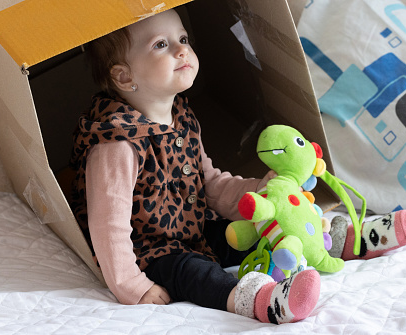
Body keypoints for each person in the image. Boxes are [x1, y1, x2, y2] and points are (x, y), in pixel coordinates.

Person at [69, 8, 321, 324]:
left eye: (183, 38)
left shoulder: (182, 118)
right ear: (124, 76)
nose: (182, 49)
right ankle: (260, 301)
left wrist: (261, 190)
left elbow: (211, 184)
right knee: (193, 272)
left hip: (194, 227)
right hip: (150, 251)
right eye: (161, 44)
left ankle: (326, 241)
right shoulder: (117, 143)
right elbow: (107, 225)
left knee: (255, 232)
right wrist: (131, 285)